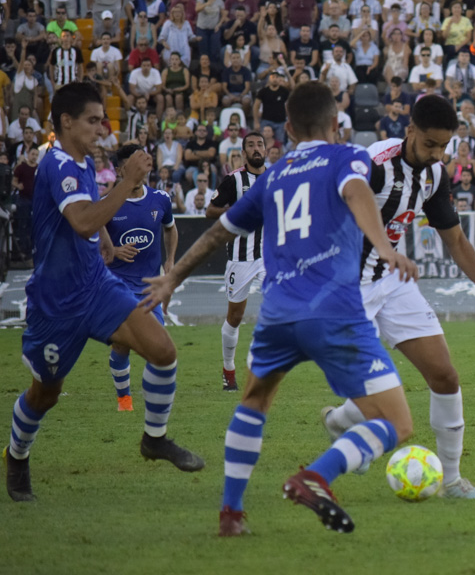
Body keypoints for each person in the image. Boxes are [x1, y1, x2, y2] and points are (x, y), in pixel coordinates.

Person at [142, 81, 419, 536]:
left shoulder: (273, 175)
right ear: (335, 123)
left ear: (287, 128)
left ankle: (231, 514)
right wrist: (384, 247)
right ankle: (316, 477)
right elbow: (356, 192)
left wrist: (173, 276)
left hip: (276, 315)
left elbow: (217, 234)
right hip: (335, 313)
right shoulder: (348, 156)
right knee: (396, 422)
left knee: (254, 401)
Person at [322, 94, 475, 501]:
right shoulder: (372, 165)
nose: (436, 153)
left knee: (445, 376)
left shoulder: (435, 175)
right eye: (429, 144)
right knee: (379, 395)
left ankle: (451, 481)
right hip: (348, 288)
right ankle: (346, 433)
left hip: (394, 281)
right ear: (410, 130)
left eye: (444, 146)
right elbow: (332, 221)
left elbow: (455, 239)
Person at [6, 83, 203, 503]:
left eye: (102, 120)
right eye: (93, 120)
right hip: (57, 304)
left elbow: (88, 227)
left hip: (96, 286)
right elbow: (81, 221)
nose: (102, 129)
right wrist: (127, 180)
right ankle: (17, 455)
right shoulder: (57, 162)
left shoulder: (81, 165)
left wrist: (107, 246)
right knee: (46, 394)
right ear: (66, 122)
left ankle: (154, 438)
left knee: (163, 350)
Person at [103, 144, 178, 412]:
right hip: (118, 287)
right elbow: (91, 240)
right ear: (121, 170)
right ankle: (124, 401)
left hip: (149, 289)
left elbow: (170, 229)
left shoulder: (160, 199)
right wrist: (112, 249)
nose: (142, 168)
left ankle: (155, 408)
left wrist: (169, 261)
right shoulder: (109, 203)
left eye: (144, 162)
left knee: (158, 348)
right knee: (123, 345)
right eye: (135, 163)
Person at [204, 133, 269, 392]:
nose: (256, 149)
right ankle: (228, 370)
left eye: (260, 145)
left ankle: (263, 369)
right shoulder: (234, 180)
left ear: (266, 149)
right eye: (251, 145)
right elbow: (210, 211)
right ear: (243, 152)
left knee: (279, 309)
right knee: (235, 316)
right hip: (240, 258)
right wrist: (237, 211)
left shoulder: (276, 178)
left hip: (270, 257)